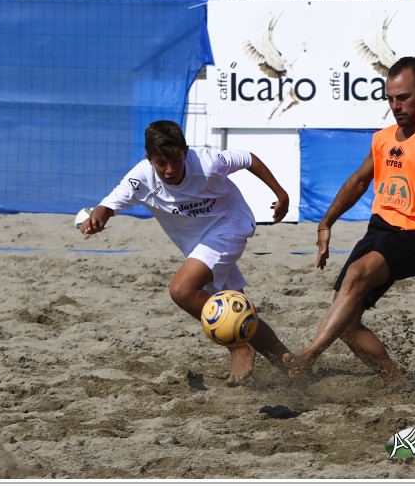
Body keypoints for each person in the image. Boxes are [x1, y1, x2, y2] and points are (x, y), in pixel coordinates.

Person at [283, 56, 415, 386]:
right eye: (390, 98)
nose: (396, 106)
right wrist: (326, 222)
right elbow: (358, 181)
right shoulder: (384, 138)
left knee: (355, 275)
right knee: (346, 323)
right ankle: (396, 381)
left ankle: (307, 357)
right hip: (380, 231)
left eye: (403, 97)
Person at [79, 120, 290, 385]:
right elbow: (108, 204)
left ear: (185, 152)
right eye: (160, 164)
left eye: (175, 162)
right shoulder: (140, 177)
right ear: (149, 159)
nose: (169, 171)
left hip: (230, 226)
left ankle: (238, 348)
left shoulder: (207, 163)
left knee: (182, 290)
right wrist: (98, 219)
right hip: (197, 245)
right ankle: (289, 364)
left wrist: (282, 195)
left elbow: (249, 158)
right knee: (236, 307)